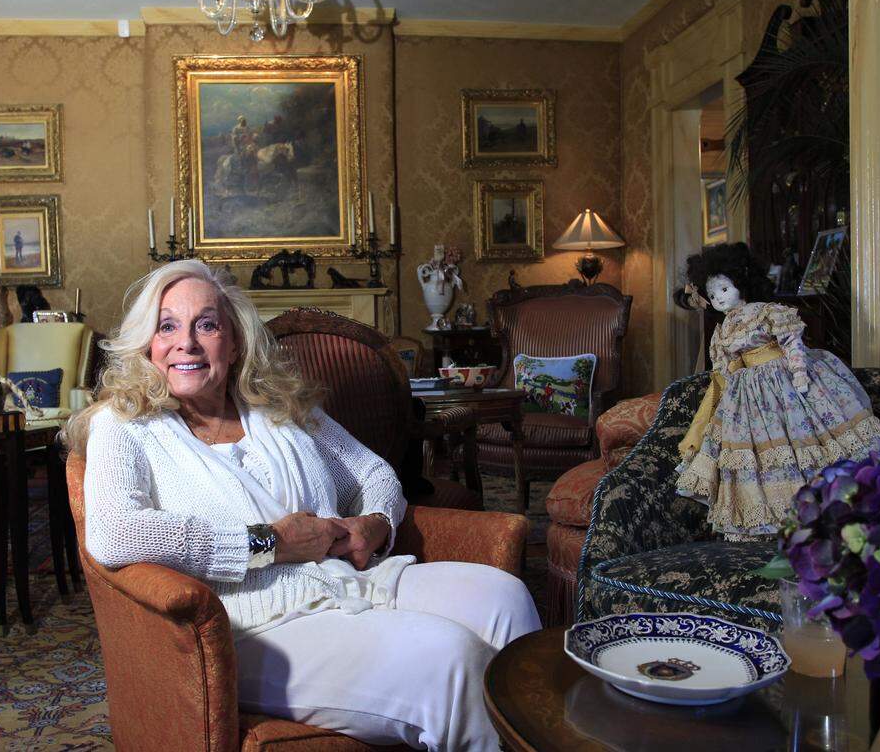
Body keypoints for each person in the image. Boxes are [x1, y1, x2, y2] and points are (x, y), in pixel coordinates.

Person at [66, 260, 540, 750]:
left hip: (350, 581)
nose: (186, 342)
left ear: (233, 340)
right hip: (248, 628)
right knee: (452, 659)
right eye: (167, 326)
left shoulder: (278, 408)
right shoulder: (125, 426)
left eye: (206, 324)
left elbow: (373, 472)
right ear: (147, 342)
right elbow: (116, 533)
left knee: (503, 597)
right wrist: (270, 544)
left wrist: (375, 524)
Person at [672, 242, 880, 539]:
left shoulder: (765, 313)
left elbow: (791, 343)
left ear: (742, 283)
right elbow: (724, 365)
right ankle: (775, 515)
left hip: (781, 381)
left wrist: (799, 372)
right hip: (746, 395)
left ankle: (826, 502)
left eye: (724, 289)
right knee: (758, 454)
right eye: (712, 294)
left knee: (800, 440)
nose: (719, 298)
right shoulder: (723, 330)